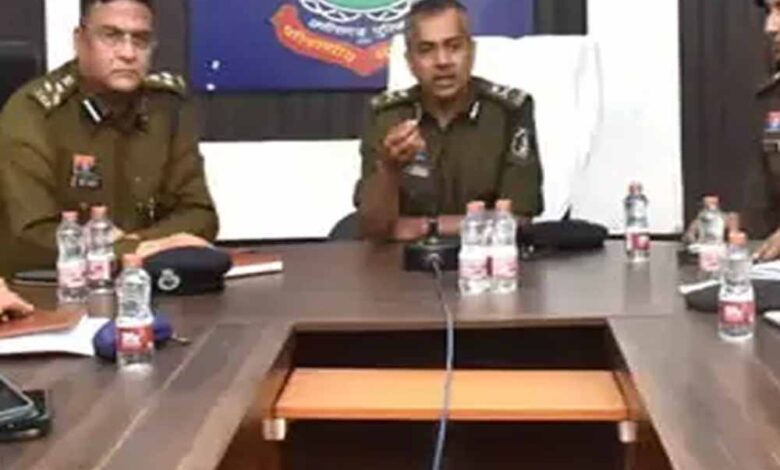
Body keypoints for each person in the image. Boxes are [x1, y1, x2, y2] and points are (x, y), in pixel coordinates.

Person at [0, 0, 218, 277]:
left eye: (140, 39)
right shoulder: (35, 112)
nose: (128, 53)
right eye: (111, 36)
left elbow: (200, 216)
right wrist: (134, 249)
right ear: (80, 41)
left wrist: (137, 246)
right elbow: (30, 238)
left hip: (148, 282)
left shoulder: (167, 107)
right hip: (54, 287)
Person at [355, 0, 543, 241]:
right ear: (410, 61)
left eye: (454, 46)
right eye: (426, 50)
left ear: (471, 52)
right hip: (405, 259)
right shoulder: (387, 116)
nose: (443, 61)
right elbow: (372, 229)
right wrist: (389, 168)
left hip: (487, 256)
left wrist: (426, 227)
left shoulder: (509, 112)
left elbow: (518, 218)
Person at [746, 0, 780, 260]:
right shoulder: (774, 98)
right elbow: (765, 209)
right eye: (769, 12)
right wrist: (732, 223)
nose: (770, 27)